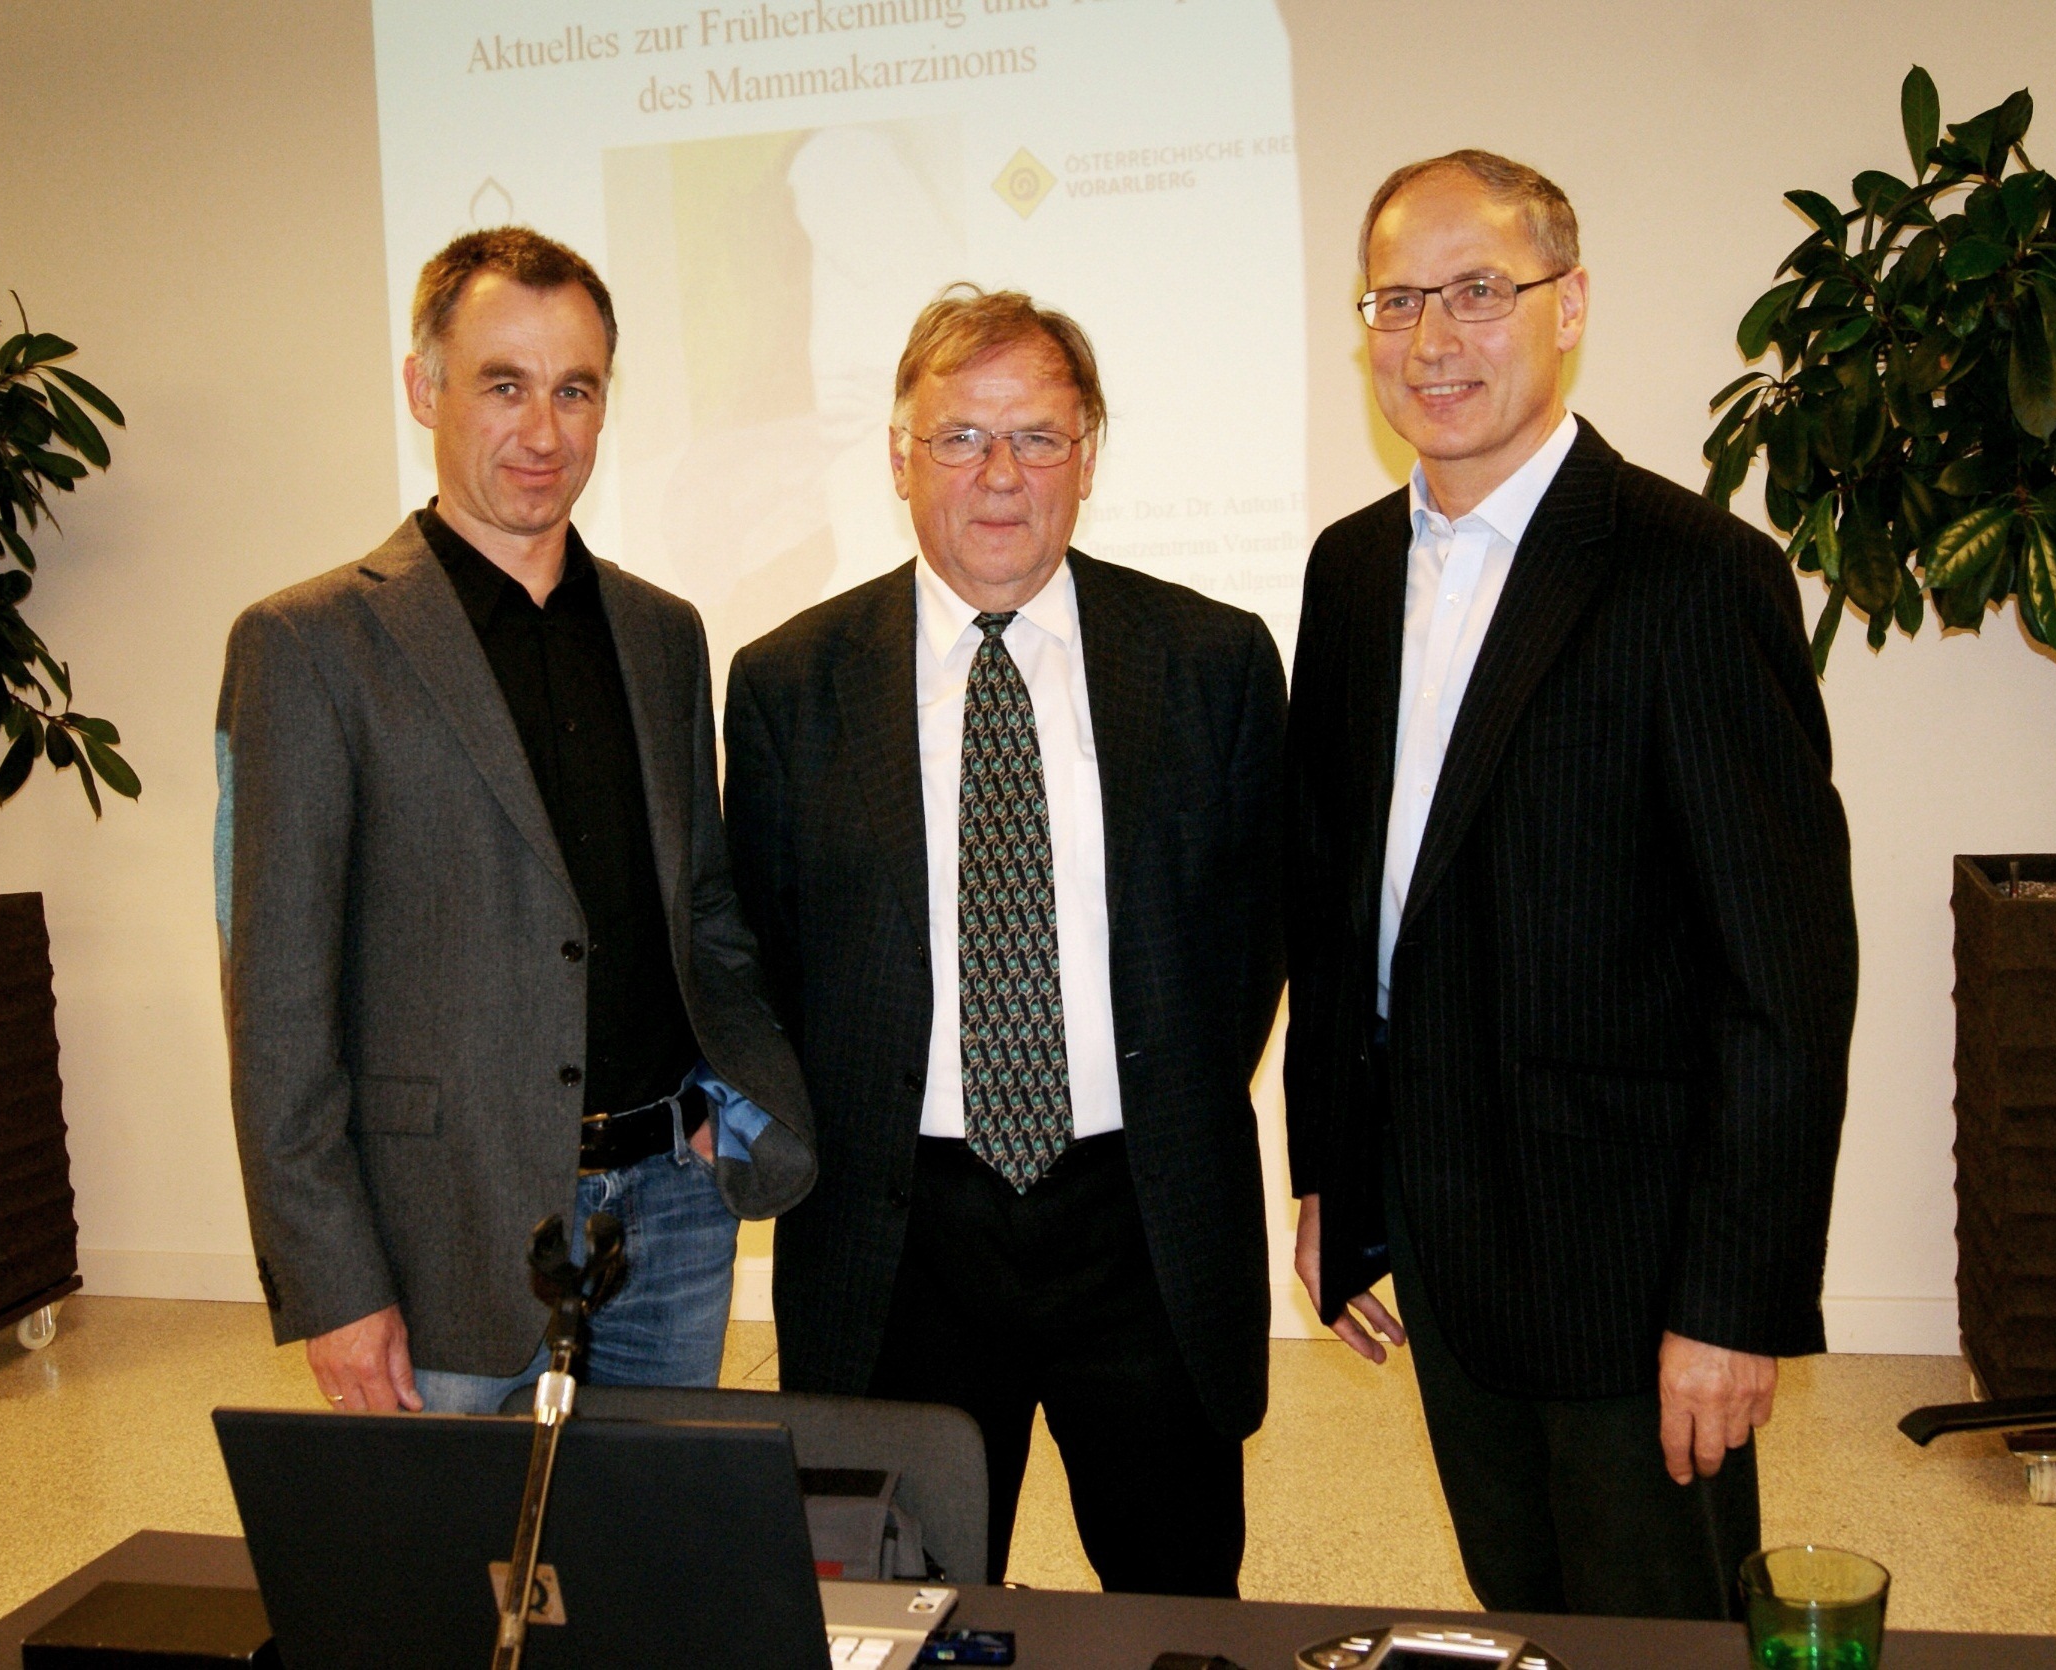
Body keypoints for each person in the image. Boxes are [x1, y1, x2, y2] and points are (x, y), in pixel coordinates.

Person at [1284, 152, 1860, 1620]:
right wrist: (1333, 1176)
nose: (1431, 338)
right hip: (1440, 1234)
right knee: (1519, 1615)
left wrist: (1729, 1303)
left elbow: (1784, 981)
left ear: (1569, 305)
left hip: (1632, 1264)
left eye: (1478, 290)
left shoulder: (1692, 574)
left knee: (1659, 1633)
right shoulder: (1347, 573)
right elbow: (1340, 899)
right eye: (1397, 300)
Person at [723, 286, 1284, 1596]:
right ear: (898, 456)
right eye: (959, 437)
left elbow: (1248, 938)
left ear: (1086, 455)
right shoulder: (788, 681)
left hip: (1139, 1223)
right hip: (897, 1232)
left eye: (1035, 437)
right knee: (896, 1609)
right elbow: (763, 953)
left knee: (1177, 1600)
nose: (997, 475)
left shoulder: (1211, 660)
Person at [216, 227, 815, 1415]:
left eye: (574, 390)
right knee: (459, 1545)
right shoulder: (308, 644)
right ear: (422, 388)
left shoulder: (662, 634)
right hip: (441, 1233)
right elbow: (275, 1004)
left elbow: (700, 907)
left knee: (649, 1534)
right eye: (504, 385)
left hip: (670, 1216)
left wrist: (726, 1101)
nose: (543, 431)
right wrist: (334, 1283)